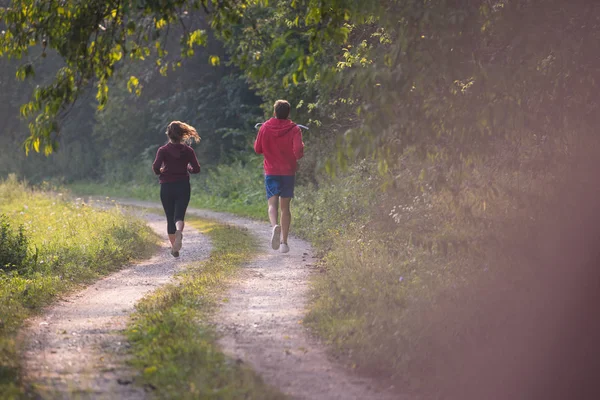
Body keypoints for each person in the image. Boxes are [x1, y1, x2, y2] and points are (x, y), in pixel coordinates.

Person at [254, 100, 304, 253]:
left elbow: (257, 149)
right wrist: (301, 148)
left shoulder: (264, 127)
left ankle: (274, 225)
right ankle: (284, 243)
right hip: (288, 172)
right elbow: (298, 152)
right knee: (285, 208)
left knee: (272, 204)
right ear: (288, 113)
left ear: (274, 112)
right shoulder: (295, 129)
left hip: (271, 171)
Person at [152, 121, 201, 257]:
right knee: (179, 215)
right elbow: (196, 169)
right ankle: (179, 231)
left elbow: (156, 167)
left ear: (168, 134)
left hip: (166, 186)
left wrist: (161, 171)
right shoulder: (188, 151)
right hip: (183, 185)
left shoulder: (163, 150)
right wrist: (188, 168)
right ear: (182, 135)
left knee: (169, 217)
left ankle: (174, 247)